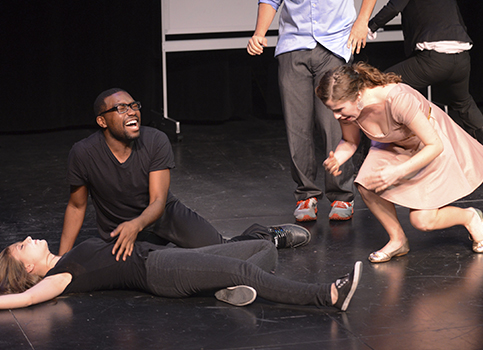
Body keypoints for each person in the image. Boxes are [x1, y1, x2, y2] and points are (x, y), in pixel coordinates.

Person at [59, 88, 311, 259]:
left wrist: (137, 223)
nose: (132, 111)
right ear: (102, 121)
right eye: (121, 108)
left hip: (165, 216)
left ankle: (267, 236)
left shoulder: (155, 140)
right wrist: (60, 260)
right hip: (121, 232)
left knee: (221, 251)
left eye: (134, 106)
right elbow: (76, 206)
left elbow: (158, 201)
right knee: (172, 264)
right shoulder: (83, 153)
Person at [0, 236, 363, 312]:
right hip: (159, 270)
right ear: (28, 267)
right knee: (244, 265)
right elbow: (28, 301)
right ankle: (325, 296)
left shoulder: (69, 252)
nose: (30, 238)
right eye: (23, 246)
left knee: (262, 248)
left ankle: (224, 287)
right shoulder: (60, 277)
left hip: (170, 255)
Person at [316, 62, 483, 263]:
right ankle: (397, 240)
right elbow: (350, 141)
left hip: (428, 145)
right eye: (332, 110)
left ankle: (469, 217)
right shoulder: (348, 110)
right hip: (394, 145)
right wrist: (338, 157)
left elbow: (435, 145)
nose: (336, 116)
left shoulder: (397, 99)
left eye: (338, 109)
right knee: (367, 183)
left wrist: (397, 172)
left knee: (422, 221)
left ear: (357, 96)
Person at [246, 0, 378, 222]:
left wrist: (362, 21)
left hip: (335, 42)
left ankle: (341, 194)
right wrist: (259, 33)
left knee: (334, 123)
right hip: (293, 44)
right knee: (296, 124)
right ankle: (306, 194)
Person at [367, 0, 483, 168]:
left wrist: (369, 27)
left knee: (381, 85)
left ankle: (376, 151)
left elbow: (393, 7)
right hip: (461, 58)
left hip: (434, 59)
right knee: (464, 102)